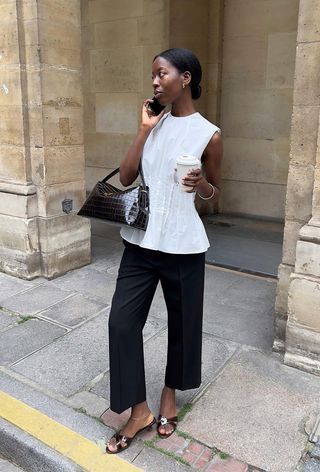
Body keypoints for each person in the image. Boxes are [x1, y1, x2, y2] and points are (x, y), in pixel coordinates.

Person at [106, 47, 223, 454]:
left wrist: (200, 186)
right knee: (122, 323)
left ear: (185, 77)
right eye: (153, 76)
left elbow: (214, 190)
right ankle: (138, 410)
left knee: (183, 325)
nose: (155, 82)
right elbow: (124, 176)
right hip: (140, 242)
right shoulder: (152, 123)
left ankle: (169, 395)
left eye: (162, 74)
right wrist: (142, 130)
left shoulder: (210, 133)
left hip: (184, 245)